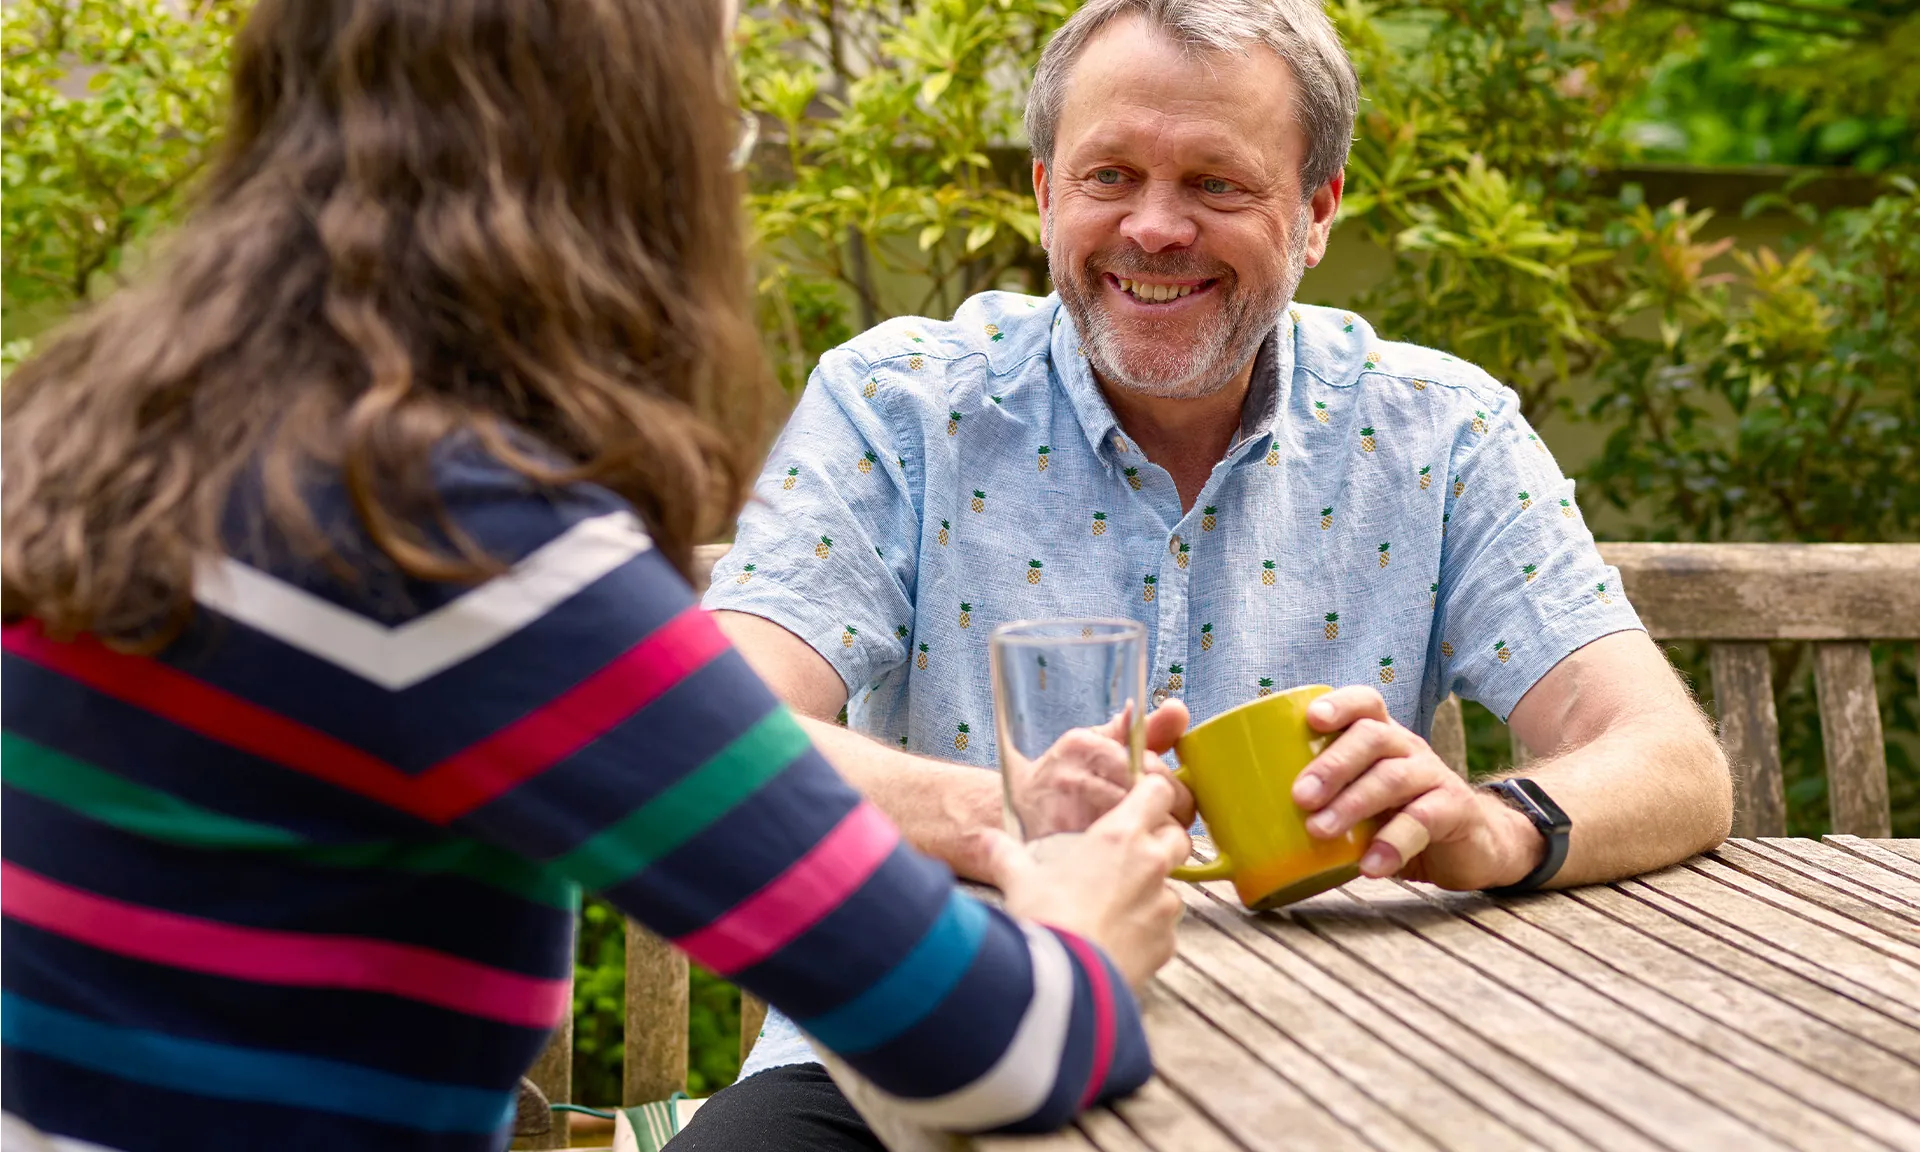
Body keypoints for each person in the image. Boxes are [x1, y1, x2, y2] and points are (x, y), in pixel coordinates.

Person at [0, 0, 1195, 1148]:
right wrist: (1085, 920)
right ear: (627, 152)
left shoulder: (81, 439)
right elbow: (996, 1046)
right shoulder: (452, 542)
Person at [695, 0, 1734, 1145]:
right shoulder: (898, 406)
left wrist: (1497, 826)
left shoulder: (1442, 430)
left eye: (1217, 185)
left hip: (1352, 1052)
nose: (1153, 227)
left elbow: (1674, 760)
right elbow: (719, 728)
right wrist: (1017, 821)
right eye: (1110, 175)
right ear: (1045, 192)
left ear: (1317, 212)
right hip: (912, 1047)